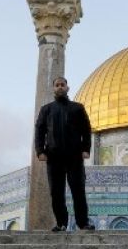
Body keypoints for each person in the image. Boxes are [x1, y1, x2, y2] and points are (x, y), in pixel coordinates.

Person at [35, 76, 95, 232]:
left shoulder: (77, 108)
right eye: (57, 85)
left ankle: (83, 223)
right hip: (54, 157)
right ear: (53, 88)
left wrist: (86, 149)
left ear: (67, 88)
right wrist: (40, 151)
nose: (60, 87)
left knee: (78, 191)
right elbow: (40, 131)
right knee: (56, 192)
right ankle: (61, 223)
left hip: (74, 156)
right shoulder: (46, 110)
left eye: (62, 85)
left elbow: (86, 130)